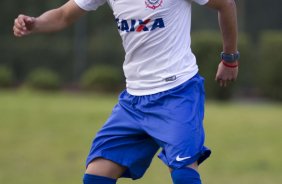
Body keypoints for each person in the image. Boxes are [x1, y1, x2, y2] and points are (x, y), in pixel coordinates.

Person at [13, 0, 239, 183]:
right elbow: (64, 15)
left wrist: (229, 59)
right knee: (96, 176)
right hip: (134, 101)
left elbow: (226, 4)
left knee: (183, 173)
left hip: (177, 93)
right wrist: (35, 23)